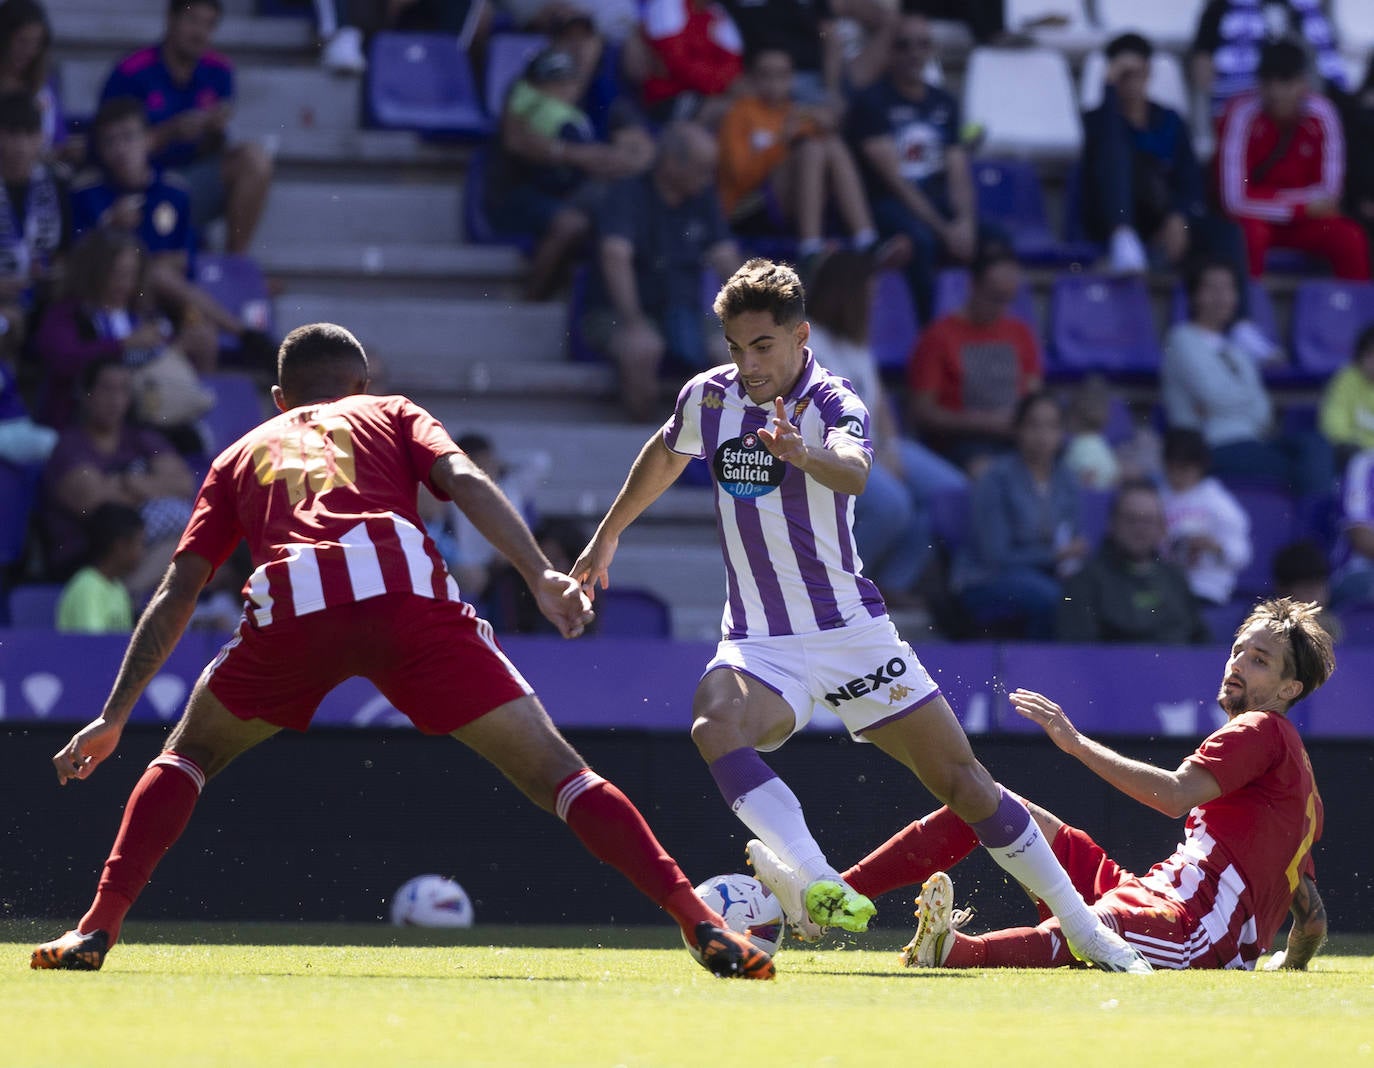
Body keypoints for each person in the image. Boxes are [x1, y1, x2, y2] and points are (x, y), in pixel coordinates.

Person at [30, 322, 773, 981]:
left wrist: (113, 715)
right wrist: (539, 573)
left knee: (187, 756)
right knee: (561, 776)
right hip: (405, 595)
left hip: (296, 603)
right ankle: (699, 921)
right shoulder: (391, 412)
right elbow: (466, 480)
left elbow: (177, 590)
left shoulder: (238, 453)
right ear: (361, 384)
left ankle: (96, 925)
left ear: (279, 399)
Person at [573, 258, 1150, 972]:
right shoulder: (709, 398)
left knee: (966, 784)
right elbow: (664, 454)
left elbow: (854, 471)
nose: (748, 364)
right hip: (760, 641)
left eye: (762, 347)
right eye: (735, 347)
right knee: (712, 721)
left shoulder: (835, 401)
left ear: (800, 336)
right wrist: (607, 538)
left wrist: (801, 452)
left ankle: (1086, 930)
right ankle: (816, 881)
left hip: (851, 634)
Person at [892, 596, 1332, 971]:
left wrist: (1077, 744)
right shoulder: (1299, 787)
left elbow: (1176, 794)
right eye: (1238, 651)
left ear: (1289, 688)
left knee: (1094, 929)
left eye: (1259, 661)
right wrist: (1288, 966)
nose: (1238, 665)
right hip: (1151, 894)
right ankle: (839, 896)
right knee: (1002, 810)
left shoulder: (1260, 727)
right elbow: (1311, 920)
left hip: (1193, 929)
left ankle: (952, 951)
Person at [803, 247, 962, 605]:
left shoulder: (856, 342)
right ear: (846, 295)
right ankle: (831, 587)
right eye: (869, 294)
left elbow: (879, 403)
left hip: (874, 443)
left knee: (949, 493)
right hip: (832, 449)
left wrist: (889, 448)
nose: (875, 302)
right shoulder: (808, 342)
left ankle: (891, 583)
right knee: (893, 505)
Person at [583, 120, 741, 422]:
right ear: (670, 163)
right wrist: (633, 321)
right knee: (642, 349)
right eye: (701, 169)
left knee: (736, 351)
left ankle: (710, 447)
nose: (708, 179)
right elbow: (615, 256)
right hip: (620, 309)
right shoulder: (627, 193)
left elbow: (726, 258)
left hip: (686, 310)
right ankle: (645, 436)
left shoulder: (703, 198)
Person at [100, 0, 274, 254]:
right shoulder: (131, 71)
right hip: (143, 186)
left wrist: (213, 130)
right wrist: (170, 133)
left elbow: (217, 146)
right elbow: (104, 144)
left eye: (209, 25)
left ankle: (236, 264)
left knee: (254, 159)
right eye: (193, 21)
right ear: (171, 19)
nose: (199, 33)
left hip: (192, 180)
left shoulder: (220, 70)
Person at [1080, 32, 1246, 283]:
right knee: (1117, 153)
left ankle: (1239, 319)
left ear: (1149, 73)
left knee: (1227, 234)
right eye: (1124, 75)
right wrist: (1109, 91)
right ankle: (1123, 236)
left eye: (1138, 73)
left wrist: (1178, 216)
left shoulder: (1170, 121)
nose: (1133, 82)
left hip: (1163, 217)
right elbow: (1102, 162)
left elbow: (1190, 181)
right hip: (1112, 218)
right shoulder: (1099, 121)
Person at [487, 47, 651, 301]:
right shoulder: (524, 105)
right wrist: (578, 155)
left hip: (571, 193)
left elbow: (638, 152)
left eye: (567, 82)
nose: (563, 89)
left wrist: (609, 160)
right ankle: (532, 297)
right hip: (519, 195)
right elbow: (521, 144)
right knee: (570, 223)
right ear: (536, 85)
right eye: (553, 83)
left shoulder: (582, 109)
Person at [1162, 260, 1334, 501]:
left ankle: (1315, 519)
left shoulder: (1237, 348)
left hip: (1251, 443)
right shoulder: (1182, 339)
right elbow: (1215, 395)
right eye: (1212, 288)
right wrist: (1243, 396)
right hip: (1210, 447)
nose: (1222, 297)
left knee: (1315, 445)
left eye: (1228, 289)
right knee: (1307, 473)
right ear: (1194, 295)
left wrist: (1223, 404)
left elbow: (1262, 411)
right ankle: (1316, 526)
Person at [845, 13, 976, 323]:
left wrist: (965, 223)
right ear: (889, 51)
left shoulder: (945, 101)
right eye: (903, 45)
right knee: (922, 242)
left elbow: (958, 172)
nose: (914, 53)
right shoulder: (872, 102)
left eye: (923, 44)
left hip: (936, 203)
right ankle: (928, 332)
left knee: (996, 241)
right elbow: (896, 181)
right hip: (890, 204)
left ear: (933, 50)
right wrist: (945, 230)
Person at [717, 46, 895, 263]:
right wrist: (782, 141)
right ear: (752, 78)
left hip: (786, 206)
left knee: (831, 144)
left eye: (782, 74)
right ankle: (810, 247)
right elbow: (739, 177)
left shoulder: (795, 112)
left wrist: (827, 124)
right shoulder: (740, 113)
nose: (774, 82)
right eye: (766, 74)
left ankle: (866, 238)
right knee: (810, 149)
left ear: (791, 78)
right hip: (747, 209)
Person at [32, 228, 216, 437]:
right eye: (116, 273)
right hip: (79, 428)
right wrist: (122, 344)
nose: (124, 283)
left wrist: (176, 348)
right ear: (94, 272)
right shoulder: (66, 315)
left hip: (141, 429)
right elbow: (63, 361)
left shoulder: (143, 316)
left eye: (130, 274)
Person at [39, 358, 198, 597]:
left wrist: (129, 482)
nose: (115, 399)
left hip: (140, 550)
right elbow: (95, 504)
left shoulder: (141, 438)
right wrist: (153, 488)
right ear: (87, 394)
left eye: (123, 389)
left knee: (192, 536)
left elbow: (184, 483)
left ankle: (126, 595)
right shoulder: (70, 446)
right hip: (85, 556)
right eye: (107, 389)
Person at [1215, 40, 1369, 282]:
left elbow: (1330, 193)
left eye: (1285, 81)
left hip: (1302, 225)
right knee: (1248, 236)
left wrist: (1274, 201)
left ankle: (1359, 318)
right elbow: (1233, 201)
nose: (1275, 92)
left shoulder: (1323, 114)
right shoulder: (1240, 115)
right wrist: (1299, 207)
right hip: (1257, 222)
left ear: (1303, 83)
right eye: (1268, 82)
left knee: (1349, 237)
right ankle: (1247, 316)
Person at [952, 391, 1087, 640]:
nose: (1042, 435)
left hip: (1044, 576)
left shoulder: (1066, 479)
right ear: (1017, 430)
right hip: (987, 578)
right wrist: (1055, 556)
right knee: (1053, 599)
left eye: (1051, 426)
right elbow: (995, 556)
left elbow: (1071, 536)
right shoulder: (996, 478)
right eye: (1033, 425)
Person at [905, 243, 1042, 473]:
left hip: (1015, 439)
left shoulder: (1020, 332)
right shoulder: (938, 337)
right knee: (990, 474)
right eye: (995, 297)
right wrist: (985, 421)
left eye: (1008, 299)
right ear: (973, 285)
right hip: (962, 442)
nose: (1002, 308)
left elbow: (1033, 394)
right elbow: (922, 412)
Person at [1057, 478, 1211, 645]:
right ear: (1112, 523)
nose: (1140, 528)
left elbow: (1201, 640)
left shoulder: (1176, 579)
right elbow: (1079, 654)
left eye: (1148, 520)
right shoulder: (1084, 582)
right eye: (1131, 519)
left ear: (1162, 528)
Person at [1190, 0, 1345, 122]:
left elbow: (1329, 65)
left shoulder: (1309, 9)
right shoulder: (1221, 6)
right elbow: (1202, 71)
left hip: (1302, 118)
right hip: (1244, 113)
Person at [0, 89, 69, 364]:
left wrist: (56, 272)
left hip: (43, 297)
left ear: (41, 138)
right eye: (11, 134)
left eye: (29, 135)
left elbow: (66, 251)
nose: (20, 146)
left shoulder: (58, 183)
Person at [1159, 427, 1253, 608]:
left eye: (1184, 469)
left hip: (1207, 587)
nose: (1177, 476)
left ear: (1200, 467)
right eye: (1172, 468)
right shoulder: (1159, 497)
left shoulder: (1216, 500)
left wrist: (1215, 547)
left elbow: (1242, 554)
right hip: (1166, 584)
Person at [630, 0, 743, 126]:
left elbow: (733, 66)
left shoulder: (718, 12)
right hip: (667, 98)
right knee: (732, 111)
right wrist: (714, 84)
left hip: (706, 94)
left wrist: (714, 85)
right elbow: (676, 64)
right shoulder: (667, 4)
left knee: (746, 105)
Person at [55, 502, 144, 634]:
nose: (143, 551)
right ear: (120, 546)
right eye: (140, 543)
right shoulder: (87, 587)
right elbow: (93, 647)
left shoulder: (119, 589)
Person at [1319, 325, 1374, 469]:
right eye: (1369, 355)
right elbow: (1334, 422)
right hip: (1356, 455)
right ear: (1359, 356)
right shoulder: (1346, 378)